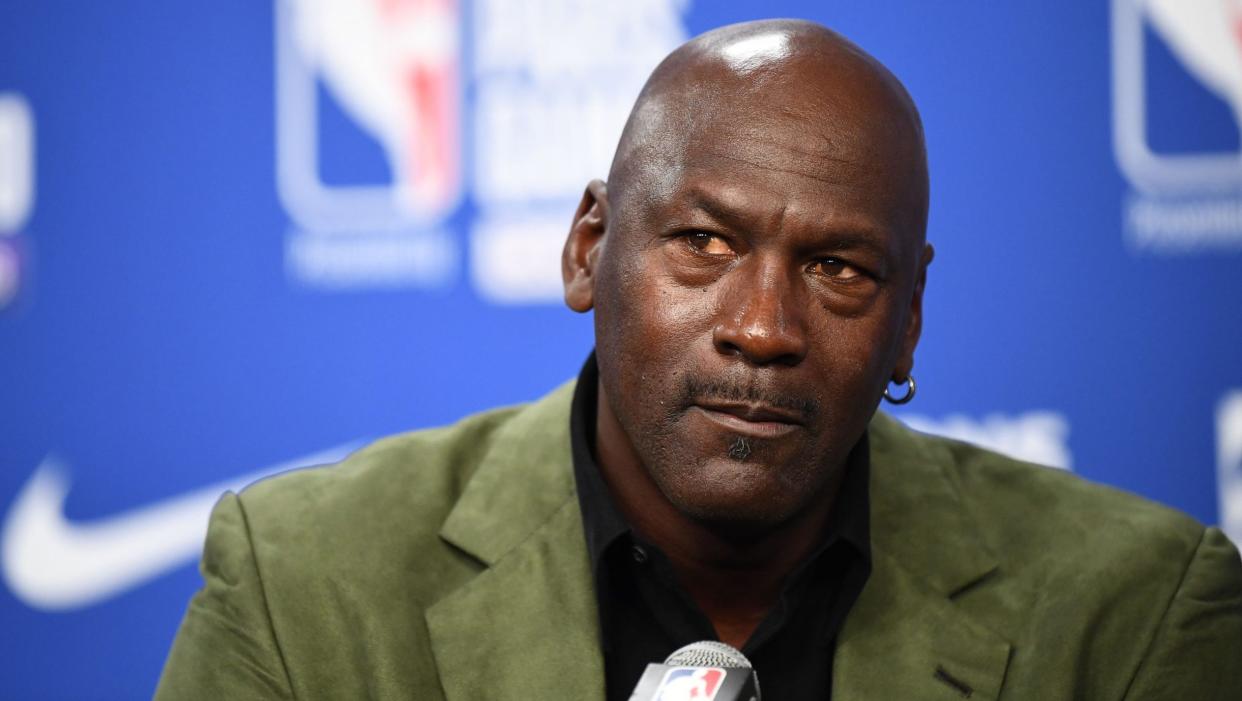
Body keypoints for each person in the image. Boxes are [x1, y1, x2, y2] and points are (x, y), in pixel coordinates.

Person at [156, 19, 1242, 700]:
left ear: (910, 317)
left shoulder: (1132, 612)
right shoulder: (303, 583)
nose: (763, 327)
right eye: (706, 244)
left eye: (840, 269)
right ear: (590, 247)